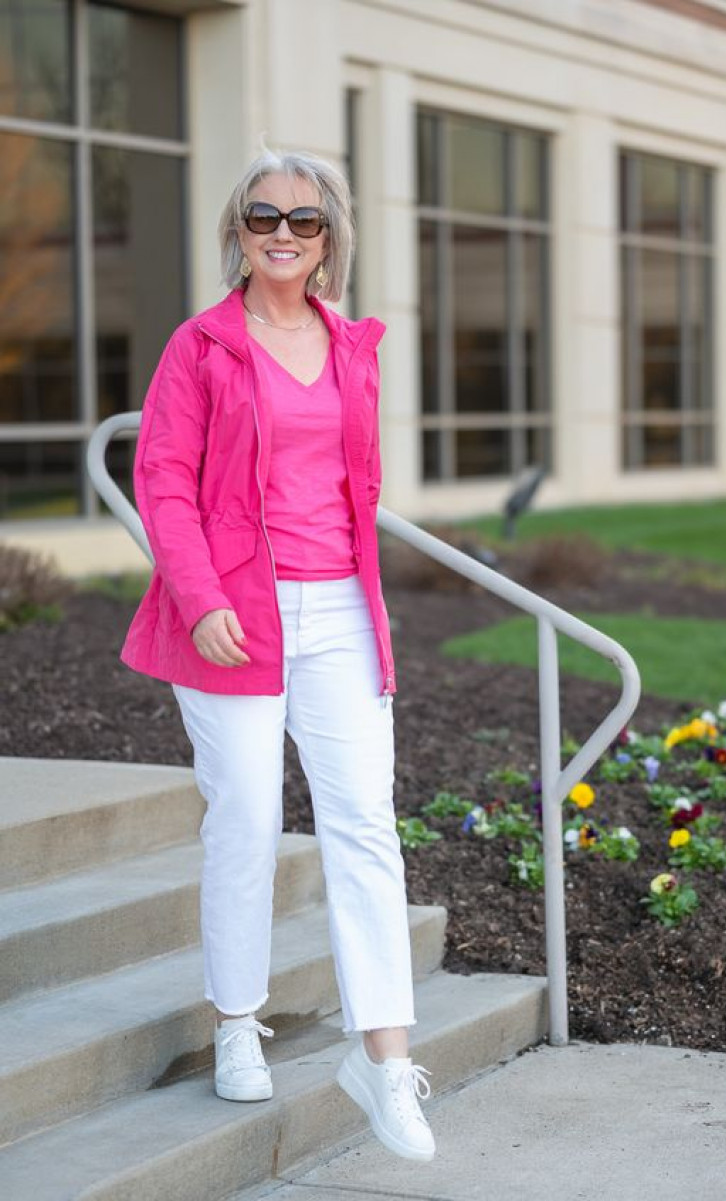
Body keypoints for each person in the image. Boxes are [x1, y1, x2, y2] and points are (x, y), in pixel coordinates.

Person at [120, 148, 435, 1162]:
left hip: (340, 608)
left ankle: (385, 1062)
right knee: (247, 816)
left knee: (363, 826)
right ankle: (235, 1020)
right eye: (266, 217)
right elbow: (163, 478)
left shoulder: (352, 345)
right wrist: (201, 595)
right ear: (240, 228)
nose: (284, 234)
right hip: (234, 614)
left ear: (329, 237)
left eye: (304, 221)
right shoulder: (202, 345)